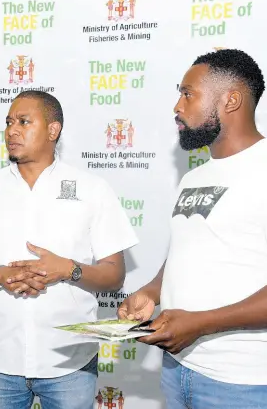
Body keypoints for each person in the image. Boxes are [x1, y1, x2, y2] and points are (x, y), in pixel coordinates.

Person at [0, 90, 138, 409]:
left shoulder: (93, 190)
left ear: (53, 130)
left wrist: (68, 270)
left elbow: (114, 275)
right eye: (8, 122)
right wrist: (0, 275)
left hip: (70, 362)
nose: (12, 130)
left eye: (23, 121)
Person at [118, 48, 267, 408]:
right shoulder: (194, 177)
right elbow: (188, 250)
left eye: (188, 93)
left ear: (231, 100)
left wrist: (201, 323)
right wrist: (152, 292)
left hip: (243, 382)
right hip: (178, 370)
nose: (177, 106)